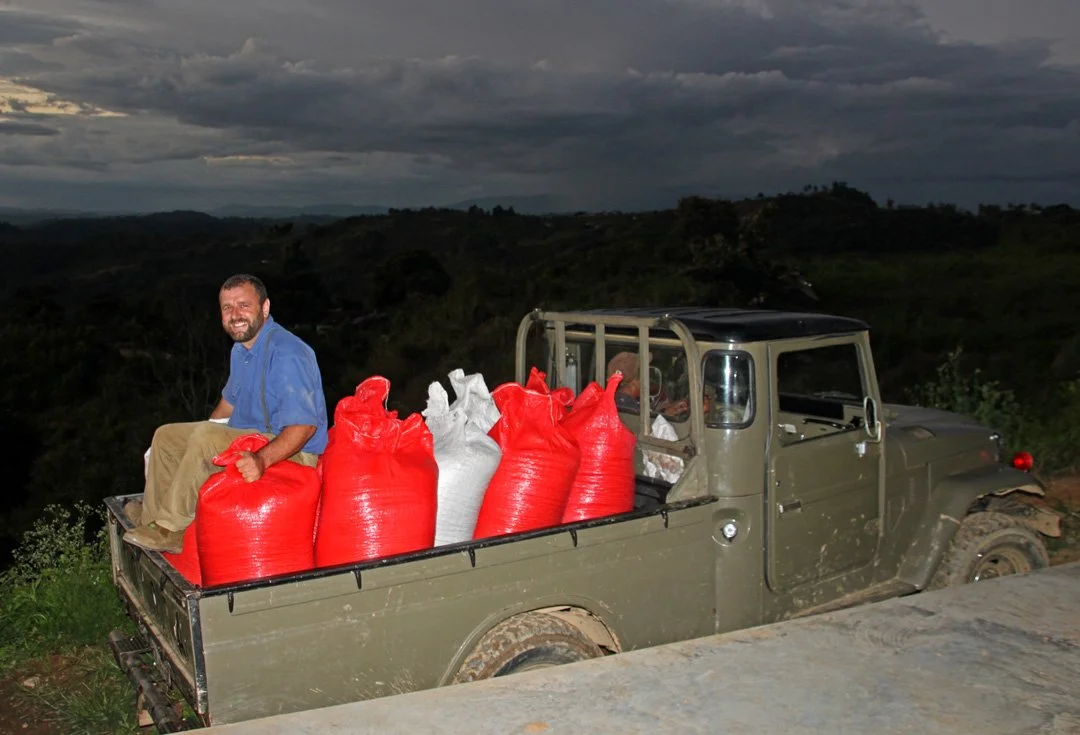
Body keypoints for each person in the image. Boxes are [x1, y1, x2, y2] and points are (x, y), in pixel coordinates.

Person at [123, 274, 330, 553]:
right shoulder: (241, 350)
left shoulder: (287, 353)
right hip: (249, 437)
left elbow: (304, 428)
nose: (235, 315)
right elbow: (228, 405)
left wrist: (261, 460)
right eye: (227, 308)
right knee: (167, 435)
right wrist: (194, 437)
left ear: (265, 308)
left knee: (206, 436)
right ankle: (151, 520)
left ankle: (172, 529)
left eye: (244, 305)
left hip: (291, 450)